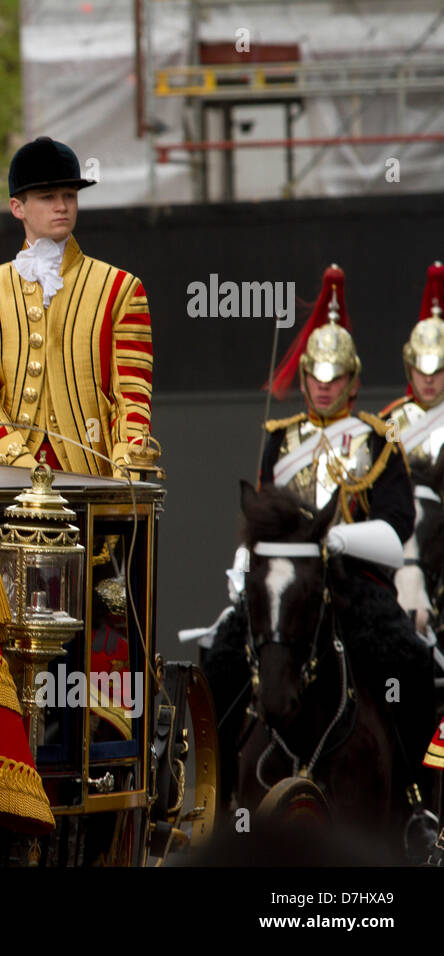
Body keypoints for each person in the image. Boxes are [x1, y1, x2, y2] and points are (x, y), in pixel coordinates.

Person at [203, 265, 432, 844]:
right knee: (221, 660)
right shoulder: (280, 439)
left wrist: (333, 541)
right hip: (283, 578)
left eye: (336, 379)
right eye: (315, 377)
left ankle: (413, 804)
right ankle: (218, 792)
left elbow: (396, 527)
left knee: (412, 666)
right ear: (304, 377)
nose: (324, 388)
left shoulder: (377, 439)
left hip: (353, 583)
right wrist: (241, 569)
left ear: (353, 381)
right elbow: (257, 521)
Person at [0, 137, 152, 475]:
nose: (62, 206)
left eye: (69, 196)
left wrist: (124, 470)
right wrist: (18, 464)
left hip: (91, 475)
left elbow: (132, 397)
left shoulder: (120, 288)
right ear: (17, 207)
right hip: (6, 479)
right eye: (48, 197)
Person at [381, 261, 444, 628]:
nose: (430, 380)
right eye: (422, 370)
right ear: (409, 368)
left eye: (438, 371)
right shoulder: (391, 423)